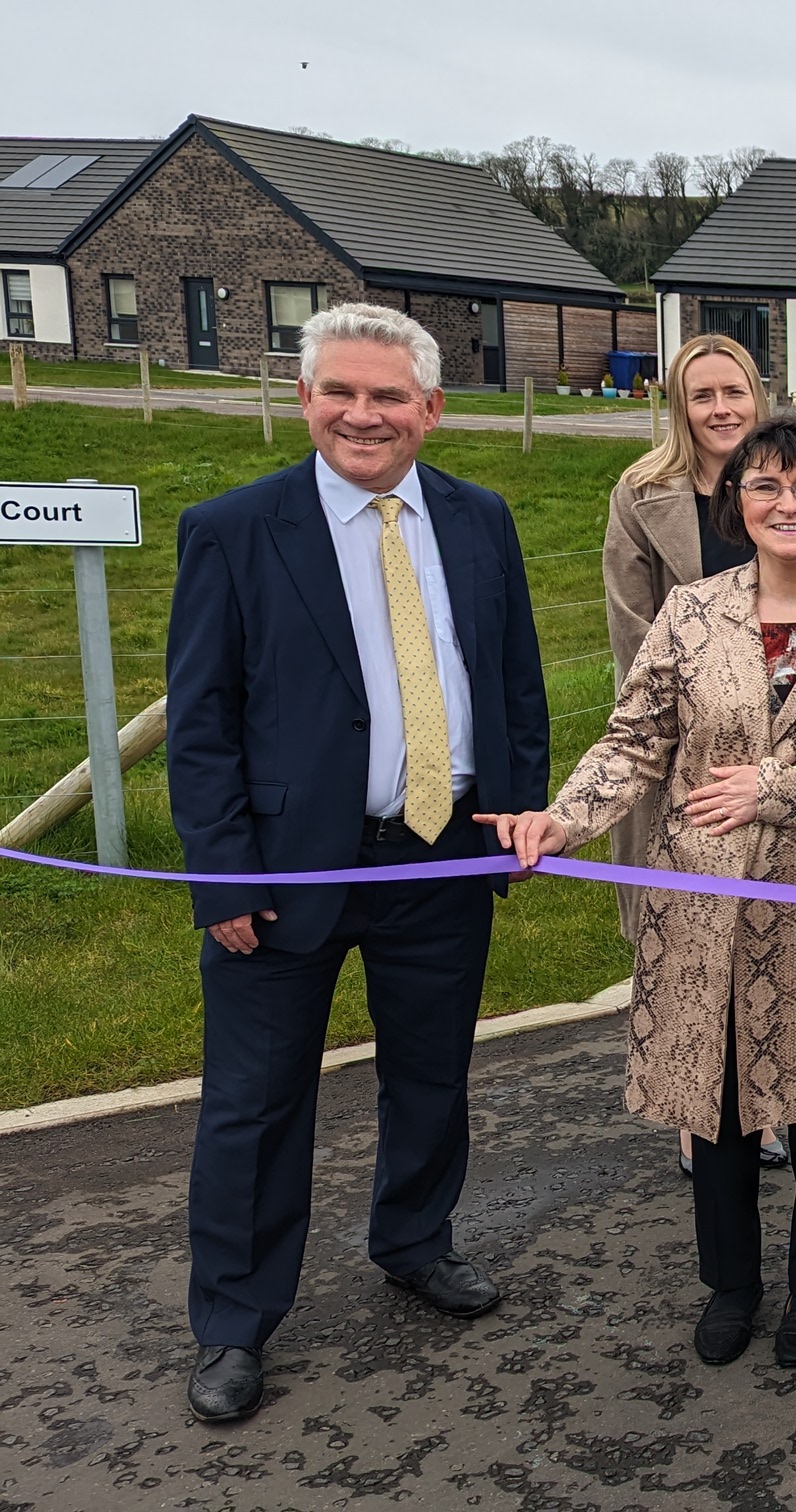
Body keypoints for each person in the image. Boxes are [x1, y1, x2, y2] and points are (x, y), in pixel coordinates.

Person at [166, 303, 551, 1423]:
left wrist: (518, 810)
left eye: (389, 396)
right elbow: (201, 723)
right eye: (341, 391)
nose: (362, 414)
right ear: (303, 399)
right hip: (282, 876)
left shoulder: (481, 521)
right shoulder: (236, 529)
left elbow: (514, 681)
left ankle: (415, 1239)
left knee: (430, 1075)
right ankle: (235, 1323)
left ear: (431, 409)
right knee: (255, 1103)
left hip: (440, 855)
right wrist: (223, 875)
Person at [480, 414, 796, 1374]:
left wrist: (779, 789)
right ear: (737, 504)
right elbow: (635, 739)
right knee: (713, 1102)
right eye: (765, 486)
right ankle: (732, 1284)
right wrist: (561, 820)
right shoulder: (691, 614)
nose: (787, 504)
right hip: (701, 904)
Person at [600, 332, 789, 1176]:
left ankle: (769, 1104)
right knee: (687, 940)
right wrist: (709, 710)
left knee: (770, 932)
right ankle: (696, 1116)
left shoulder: (790, 482)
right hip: (684, 753)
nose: (721, 410)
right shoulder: (642, 495)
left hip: (783, 747)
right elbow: (633, 632)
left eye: (734, 392)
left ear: (758, 396)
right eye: (702, 395)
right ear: (679, 405)